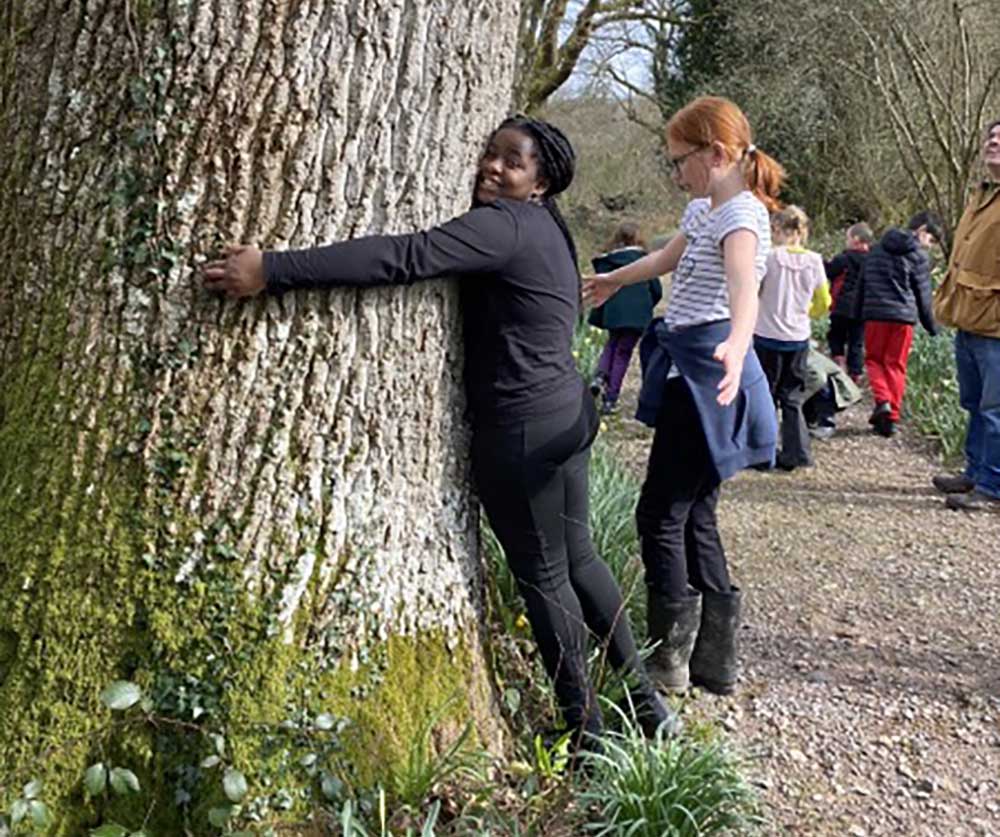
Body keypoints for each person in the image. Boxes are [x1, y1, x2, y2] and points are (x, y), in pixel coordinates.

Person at [201, 115, 675, 746]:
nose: (492, 166)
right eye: (490, 153)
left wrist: (275, 269)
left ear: (540, 181)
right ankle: (646, 707)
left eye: (513, 161)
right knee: (579, 558)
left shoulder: (503, 225)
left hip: (525, 429)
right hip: (566, 412)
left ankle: (586, 735)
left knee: (545, 577)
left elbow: (405, 257)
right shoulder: (547, 229)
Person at [583, 96, 781, 696]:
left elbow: (746, 289)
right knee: (695, 510)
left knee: (660, 513)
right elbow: (667, 259)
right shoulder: (702, 211)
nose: (676, 173)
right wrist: (613, 278)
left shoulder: (742, 217)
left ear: (716, 154)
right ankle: (713, 662)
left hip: (709, 372)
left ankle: (669, 662)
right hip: (689, 366)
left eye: (681, 161)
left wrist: (739, 343)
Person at [932, 119, 1000, 513]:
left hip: (994, 325)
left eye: (999, 139)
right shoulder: (982, 194)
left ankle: (993, 485)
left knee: (996, 409)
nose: (991, 142)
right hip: (970, 318)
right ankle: (975, 472)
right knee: (974, 403)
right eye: (989, 137)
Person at [754, 205, 829, 470]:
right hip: (797, 336)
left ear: (779, 229)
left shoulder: (769, 258)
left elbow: (755, 289)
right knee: (793, 396)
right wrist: (805, 311)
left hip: (766, 333)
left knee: (765, 394)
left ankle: (762, 452)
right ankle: (797, 453)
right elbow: (824, 302)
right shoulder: (815, 260)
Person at [859, 210, 941, 437]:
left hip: (875, 315)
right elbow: (923, 294)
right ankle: (892, 417)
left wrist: (855, 315)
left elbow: (862, 285)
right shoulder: (919, 257)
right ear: (922, 230)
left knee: (874, 361)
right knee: (895, 365)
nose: (930, 246)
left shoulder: (875, 251)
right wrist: (931, 325)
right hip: (903, 318)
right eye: (931, 240)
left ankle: (883, 401)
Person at [587, 221, 662, 415]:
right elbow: (657, 290)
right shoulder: (644, 261)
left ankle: (600, 375)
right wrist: (645, 306)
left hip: (614, 313)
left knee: (612, 343)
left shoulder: (610, 261)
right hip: (636, 316)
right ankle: (610, 398)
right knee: (623, 353)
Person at [825, 222, 874, 382]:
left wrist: (821, 261)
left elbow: (829, 271)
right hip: (862, 308)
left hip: (841, 306)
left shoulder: (843, 259)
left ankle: (839, 361)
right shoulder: (873, 261)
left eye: (848, 237)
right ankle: (856, 373)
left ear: (856, 239)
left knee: (836, 335)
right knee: (857, 342)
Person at [803, 347, 863, 439]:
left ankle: (826, 425)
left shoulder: (807, 358)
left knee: (820, 390)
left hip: (838, 389)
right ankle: (809, 421)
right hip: (817, 382)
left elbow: (819, 380)